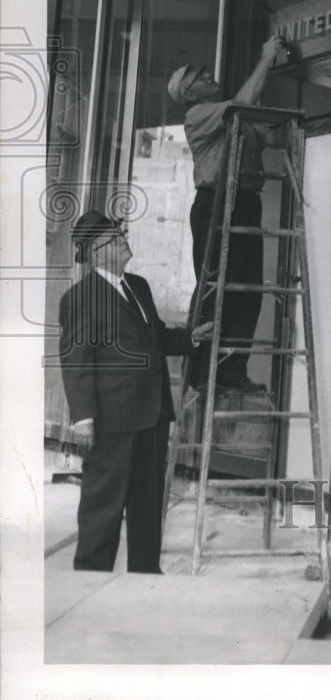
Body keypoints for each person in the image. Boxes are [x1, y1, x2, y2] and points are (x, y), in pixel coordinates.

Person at [58, 210, 212, 573]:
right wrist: (83, 417)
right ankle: (91, 575)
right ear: (96, 252)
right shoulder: (81, 297)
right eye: (115, 237)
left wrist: (190, 337)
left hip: (152, 416)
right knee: (103, 505)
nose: (124, 239)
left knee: (147, 505)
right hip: (111, 421)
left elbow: (154, 337)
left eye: (121, 232)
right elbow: (76, 360)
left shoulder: (137, 286)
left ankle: (146, 574)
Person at [167, 34, 289, 393]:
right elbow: (244, 103)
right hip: (216, 203)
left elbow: (275, 138)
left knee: (247, 290)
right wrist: (267, 59)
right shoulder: (200, 115)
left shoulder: (234, 112)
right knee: (218, 287)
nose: (207, 76)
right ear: (190, 95)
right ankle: (203, 370)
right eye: (199, 77)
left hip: (245, 202)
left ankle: (232, 370)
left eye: (205, 71)